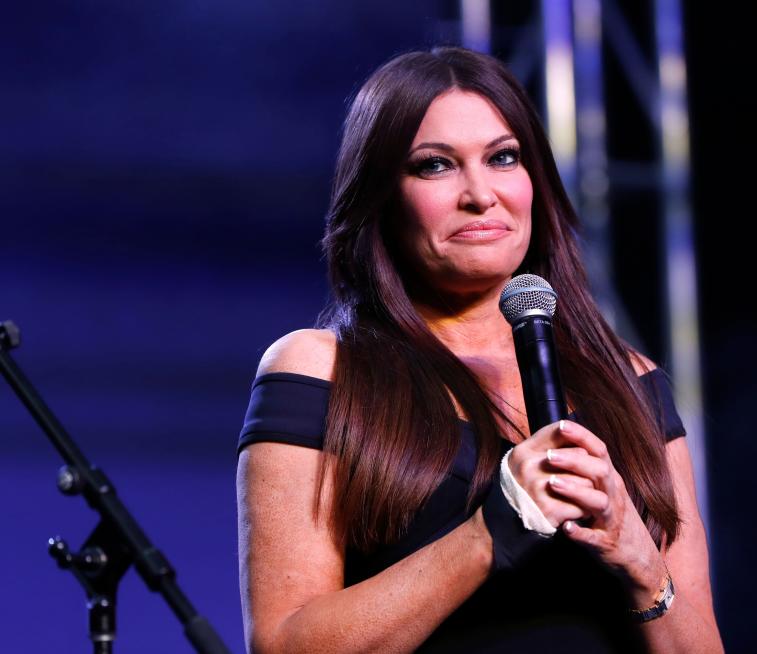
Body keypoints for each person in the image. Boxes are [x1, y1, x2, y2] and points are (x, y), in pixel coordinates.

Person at [236, 46, 723, 653]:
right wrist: (491, 530)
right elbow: (283, 645)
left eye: (503, 157)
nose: (480, 194)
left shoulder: (628, 380)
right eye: (435, 166)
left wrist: (640, 559)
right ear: (382, 194)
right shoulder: (321, 370)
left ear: (533, 180)